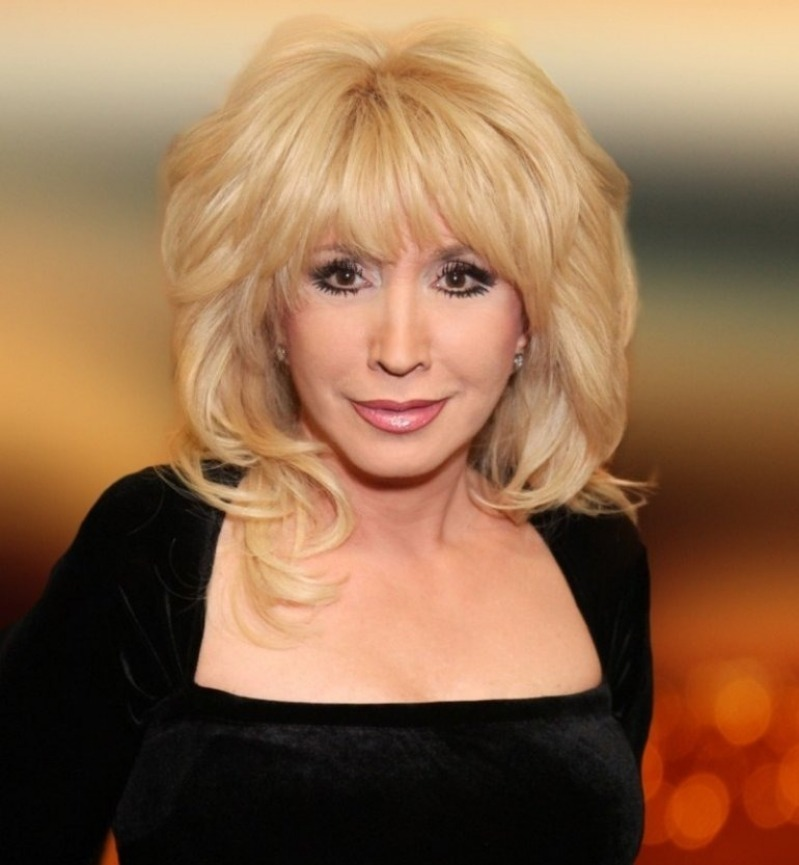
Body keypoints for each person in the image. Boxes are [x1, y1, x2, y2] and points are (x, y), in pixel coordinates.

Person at [0, 18, 652, 865]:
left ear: (529, 317)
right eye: (342, 275)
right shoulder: (155, 548)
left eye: (461, 277)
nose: (399, 347)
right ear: (272, 313)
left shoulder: (593, 553)